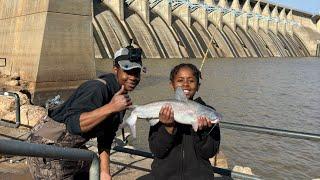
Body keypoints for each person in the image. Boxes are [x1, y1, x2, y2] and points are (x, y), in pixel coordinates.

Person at [27, 45, 143, 180]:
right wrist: (111, 107)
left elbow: (106, 137)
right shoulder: (97, 89)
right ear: (115, 69)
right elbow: (73, 124)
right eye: (127, 71)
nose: (133, 77)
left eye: (136, 72)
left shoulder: (120, 97)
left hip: (71, 148)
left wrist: (105, 172)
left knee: (93, 168)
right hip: (47, 148)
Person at [139, 63, 221, 180]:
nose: (186, 84)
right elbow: (157, 151)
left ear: (198, 86)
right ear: (172, 85)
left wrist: (201, 132)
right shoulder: (163, 111)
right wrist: (168, 127)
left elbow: (210, 152)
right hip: (164, 176)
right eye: (180, 80)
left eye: (191, 81)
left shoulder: (209, 113)